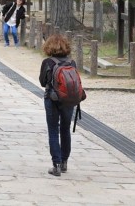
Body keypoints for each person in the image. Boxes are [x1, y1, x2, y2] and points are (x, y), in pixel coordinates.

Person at [40, 34, 75, 176]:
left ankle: (57, 164)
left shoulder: (48, 62)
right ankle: (65, 161)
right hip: (69, 99)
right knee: (65, 129)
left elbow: (42, 82)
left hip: (52, 99)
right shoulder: (71, 62)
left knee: (53, 130)